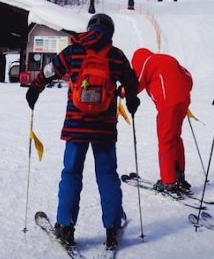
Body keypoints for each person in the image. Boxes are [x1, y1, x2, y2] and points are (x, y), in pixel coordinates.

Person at [25, 13, 140, 251]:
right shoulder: (115, 55)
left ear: (89, 28)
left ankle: (65, 226)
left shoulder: (73, 51)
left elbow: (49, 71)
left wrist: (35, 89)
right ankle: (112, 226)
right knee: (107, 175)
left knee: (71, 173)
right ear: (110, 32)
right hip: (104, 128)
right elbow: (131, 82)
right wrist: (132, 99)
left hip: (76, 125)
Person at [131, 47, 193, 192]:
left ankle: (168, 181)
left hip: (168, 103)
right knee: (175, 137)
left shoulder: (147, 62)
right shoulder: (166, 58)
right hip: (183, 100)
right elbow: (188, 77)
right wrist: (181, 91)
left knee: (166, 140)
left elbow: (136, 84)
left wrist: (122, 91)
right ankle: (179, 175)